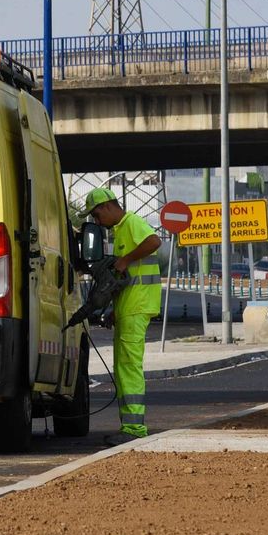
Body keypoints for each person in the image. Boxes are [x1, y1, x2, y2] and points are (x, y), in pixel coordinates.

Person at [81, 187, 161, 446]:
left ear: (106, 206)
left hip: (137, 308)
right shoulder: (120, 230)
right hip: (129, 308)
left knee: (128, 368)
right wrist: (116, 310)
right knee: (123, 368)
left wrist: (124, 260)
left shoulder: (131, 223)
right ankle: (130, 425)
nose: (96, 222)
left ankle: (135, 427)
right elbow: (127, 280)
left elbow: (154, 242)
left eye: (96, 215)